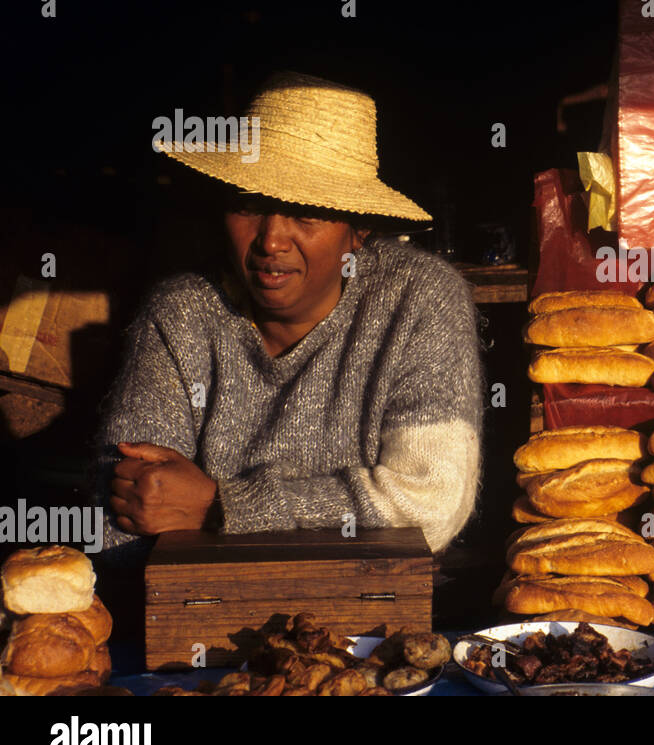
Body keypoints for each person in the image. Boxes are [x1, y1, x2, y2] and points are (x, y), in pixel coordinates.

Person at [94, 71, 483, 566]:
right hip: (202, 616)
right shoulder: (184, 313)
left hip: (379, 620)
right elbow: (128, 511)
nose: (271, 240)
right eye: (250, 206)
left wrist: (220, 506)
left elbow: (431, 504)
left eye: (304, 212)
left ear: (358, 227)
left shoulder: (418, 299)